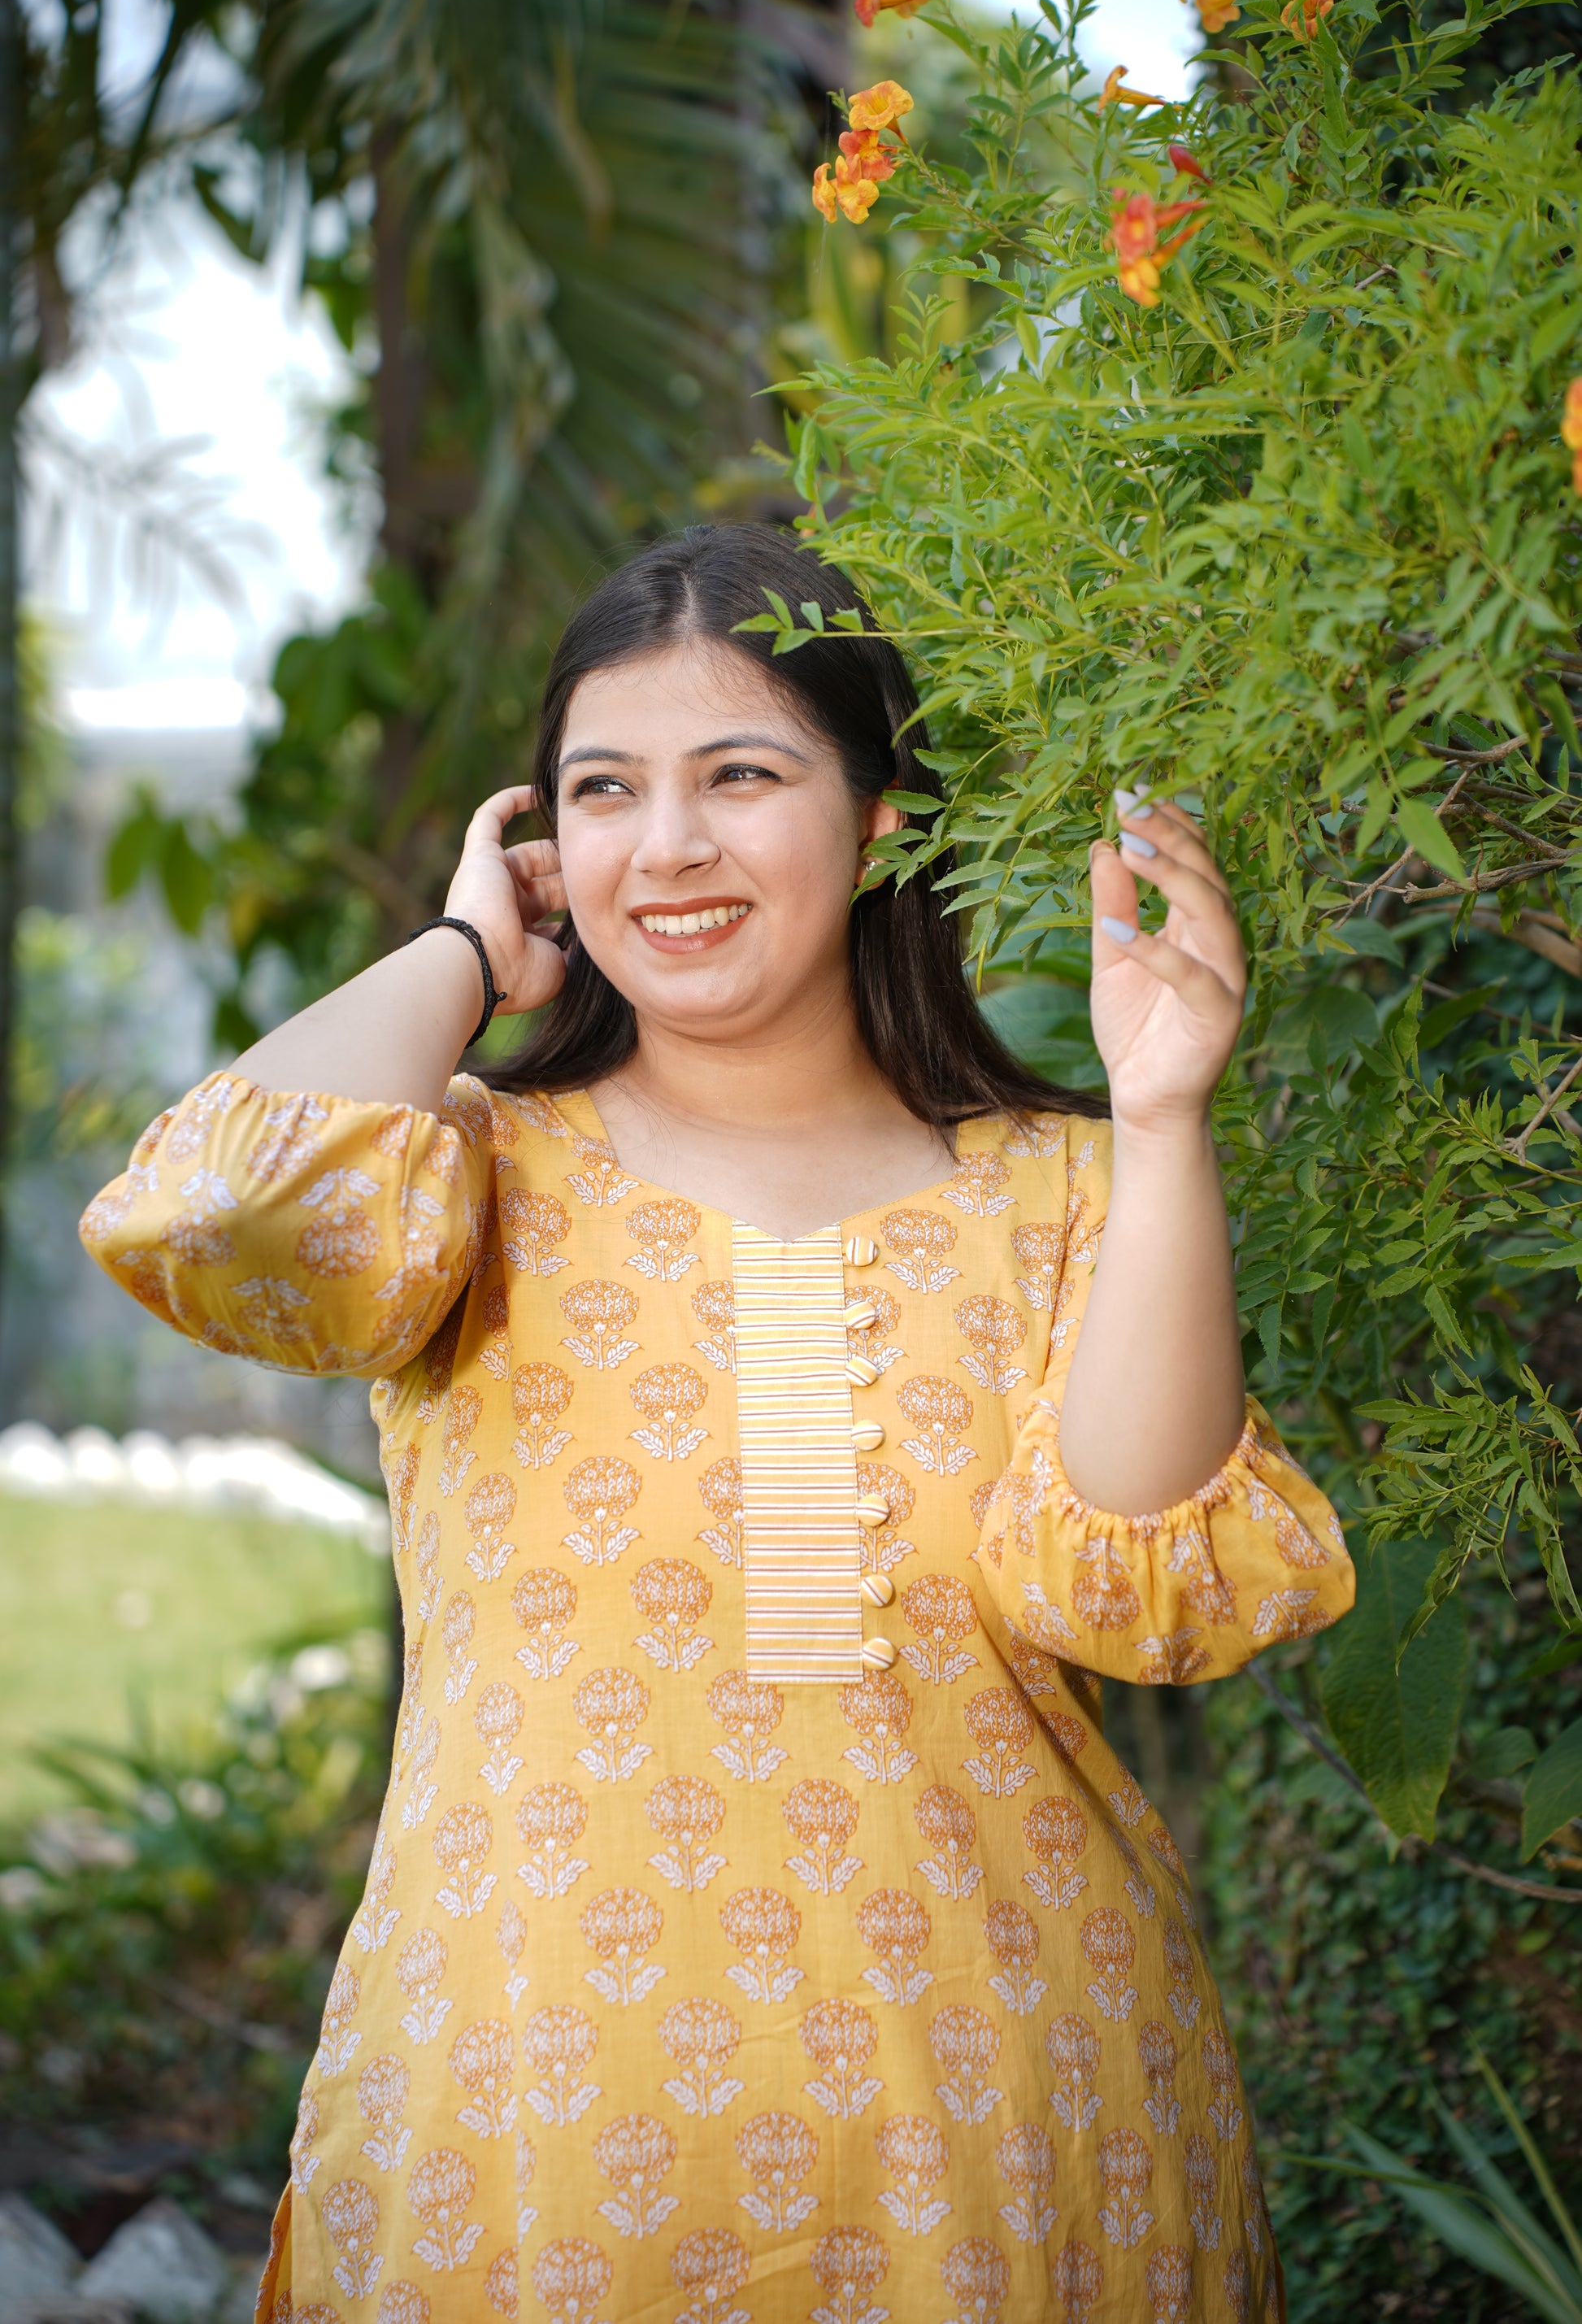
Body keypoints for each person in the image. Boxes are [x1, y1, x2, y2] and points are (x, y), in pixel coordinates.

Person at [81, 524, 1353, 2324]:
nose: (664, 846)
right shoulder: (467, 1171)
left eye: (740, 775)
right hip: (530, 2151)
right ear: (547, 846)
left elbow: (1138, 1585)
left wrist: (1163, 1120)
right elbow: (206, 1212)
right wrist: (462, 942)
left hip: (1007, 2136)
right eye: (602, 791)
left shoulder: (1063, 1189)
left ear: (881, 819)